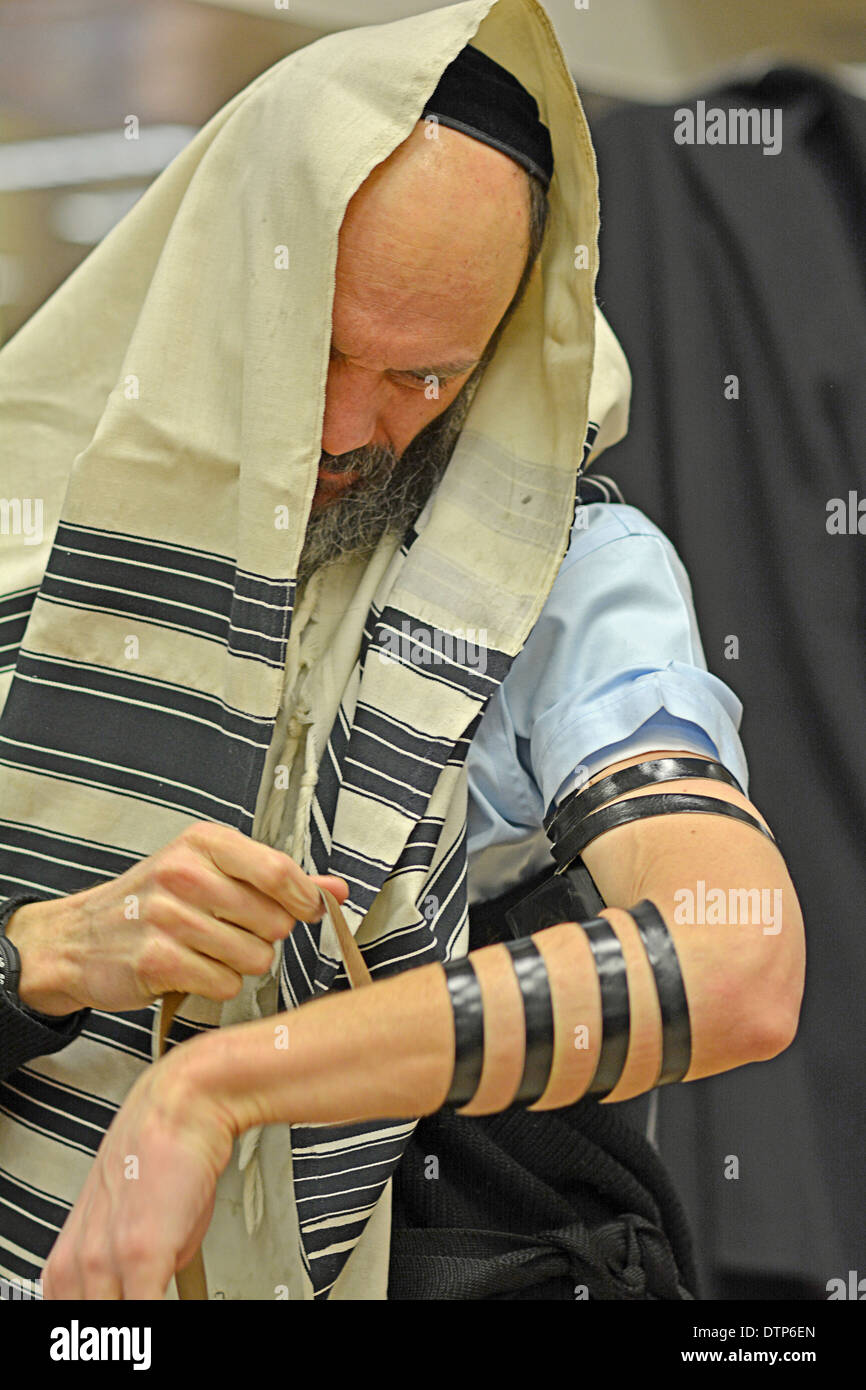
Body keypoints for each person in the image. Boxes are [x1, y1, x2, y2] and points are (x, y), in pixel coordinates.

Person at [0, 0, 803, 1301]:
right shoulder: (29, 539)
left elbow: (738, 957)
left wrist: (219, 1082)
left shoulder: (562, 579)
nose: (345, 424)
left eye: (425, 378)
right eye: (317, 342)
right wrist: (37, 957)